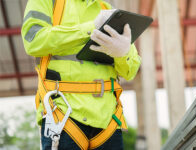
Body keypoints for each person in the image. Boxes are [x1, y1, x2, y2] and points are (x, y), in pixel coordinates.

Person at [21, 0, 141, 149]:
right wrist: (90, 29)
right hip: (63, 114)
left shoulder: (107, 9)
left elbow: (131, 71)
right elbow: (33, 40)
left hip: (108, 120)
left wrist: (124, 53)